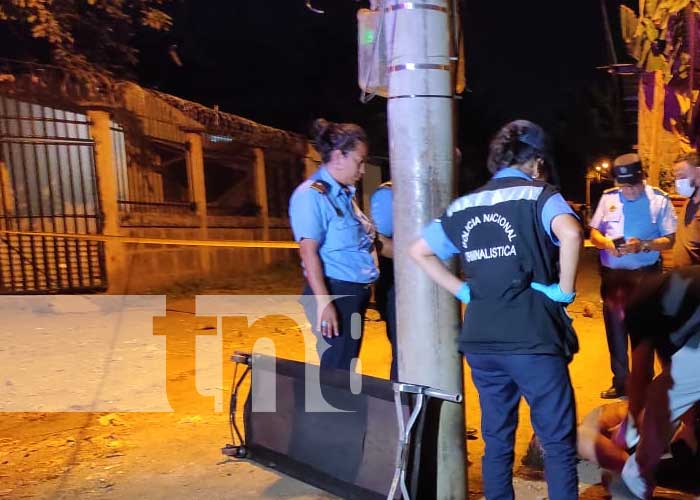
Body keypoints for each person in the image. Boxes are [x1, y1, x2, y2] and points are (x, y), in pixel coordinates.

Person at [409, 120, 583, 500]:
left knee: (497, 440)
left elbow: (418, 250)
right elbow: (570, 233)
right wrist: (564, 292)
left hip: (482, 341)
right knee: (556, 442)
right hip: (533, 338)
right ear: (536, 163)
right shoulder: (540, 195)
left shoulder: (466, 204)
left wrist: (464, 292)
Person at [288, 118, 378, 371]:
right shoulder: (312, 195)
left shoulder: (344, 195)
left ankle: (336, 408)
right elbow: (308, 252)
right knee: (336, 374)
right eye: (359, 162)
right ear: (339, 156)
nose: (362, 171)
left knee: (343, 368)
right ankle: (325, 411)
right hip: (335, 294)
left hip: (350, 295)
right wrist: (324, 302)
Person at [589, 154, 677, 399]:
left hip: (645, 277)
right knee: (615, 331)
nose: (627, 191)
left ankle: (643, 384)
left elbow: (670, 240)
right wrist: (606, 243)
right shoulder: (609, 198)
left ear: (642, 179)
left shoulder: (659, 200)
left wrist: (645, 245)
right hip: (614, 276)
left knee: (644, 333)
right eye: (623, 186)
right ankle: (620, 382)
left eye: (632, 186)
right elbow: (594, 232)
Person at [618, 266, 700, 498]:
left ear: (618, 296)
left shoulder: (638, 304)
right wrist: (689, 425)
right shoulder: (666, 296)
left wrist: (633, 422)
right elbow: (678, 373)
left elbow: (641, 375)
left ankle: (639, 472)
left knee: (658, 395)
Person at [369, 180, 398, 380]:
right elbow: (380, 243)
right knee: (404, 355)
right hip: (398, 288)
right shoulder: (388, 195)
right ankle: (403, 409)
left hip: (427, 289)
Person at [672, 153, 700, 266]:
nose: (678, 183)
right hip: (683, 279)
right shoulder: (690, 202)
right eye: (676, 178)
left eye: (682, 177)